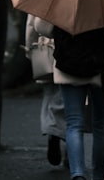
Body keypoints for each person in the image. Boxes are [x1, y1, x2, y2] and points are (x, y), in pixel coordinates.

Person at [34, 17, 104, 180]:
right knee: (101, 125)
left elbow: (42, 27)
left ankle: (78, 174)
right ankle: (98, 174)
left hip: (68, 64)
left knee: (73, 123)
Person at [25, 14, 66, 166]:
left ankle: (51, 129)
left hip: (46, 48)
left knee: (49, 93)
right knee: (69, 98)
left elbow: (31, 23)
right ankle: (69, 148)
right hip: (69, 50)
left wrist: (29, 47)